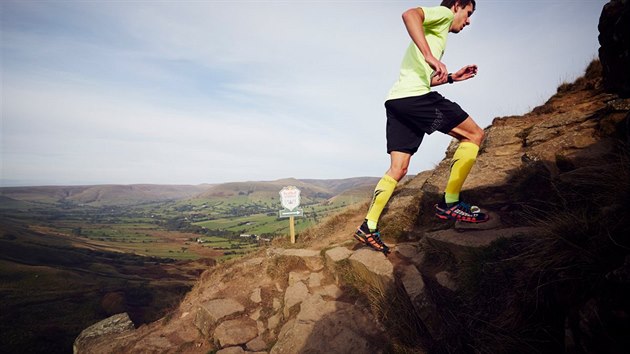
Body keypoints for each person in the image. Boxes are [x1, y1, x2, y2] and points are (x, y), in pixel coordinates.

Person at [354, 0, 488, 254]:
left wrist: (450, 78)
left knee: (399, 168)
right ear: (457, 5)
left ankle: (368, 226)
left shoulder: (437, 33)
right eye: (468, 13)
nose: (468, 20)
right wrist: (429, 56)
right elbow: (409, 14)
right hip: (415, 100)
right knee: (474, 135)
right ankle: (450, 202)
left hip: (398, 102)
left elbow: (422, 79)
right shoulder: (444, 15)